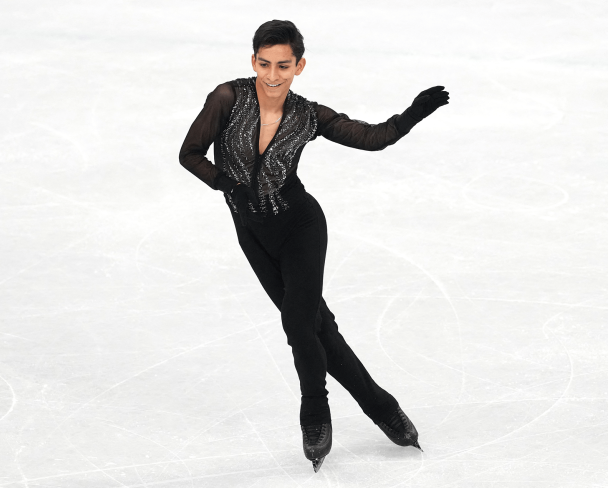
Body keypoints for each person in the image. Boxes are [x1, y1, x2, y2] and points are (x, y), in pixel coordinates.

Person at [178, 19, 448, 472]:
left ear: (299, 66)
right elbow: (189, 153)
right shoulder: (227, 97)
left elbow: (372, 138)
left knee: (298, 323)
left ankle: (314, 412)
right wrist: (226, 184)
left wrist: (412, 114)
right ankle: (382, 407)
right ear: (253, 61)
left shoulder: (308, 115)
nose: (272, 75)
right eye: (264, 64)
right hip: (253, 234)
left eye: (283, 65)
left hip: (301, 225)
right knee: (319, 328)